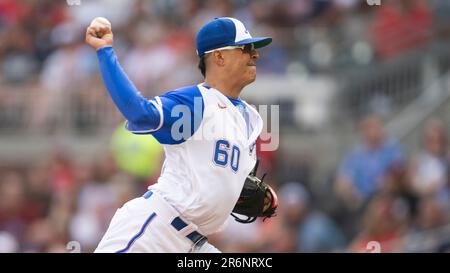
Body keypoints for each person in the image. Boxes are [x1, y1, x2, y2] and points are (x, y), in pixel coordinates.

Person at [85, 17, 273, 253]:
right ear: (219, 56)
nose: (255, 55)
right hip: (153, 232)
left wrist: (242, 194)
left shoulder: (251, 118)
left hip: (196, 243)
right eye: (245, 48)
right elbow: (140, 114)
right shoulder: (196, 102)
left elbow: (217, 181)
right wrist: (105, 52)